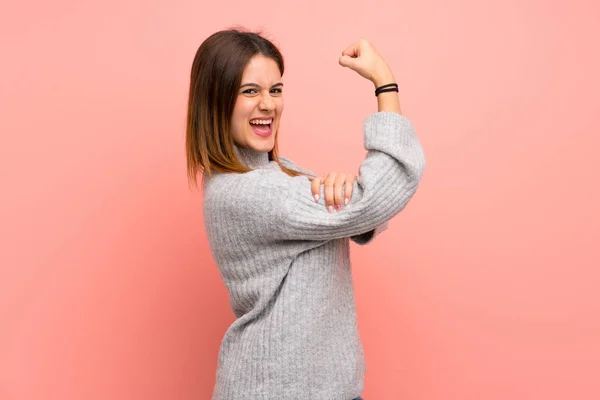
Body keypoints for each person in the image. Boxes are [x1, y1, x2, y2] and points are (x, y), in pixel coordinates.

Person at [185, 27, 426, 400]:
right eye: (250, 91)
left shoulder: (280, 173)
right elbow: (374, 199)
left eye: (275, 90)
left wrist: (346, 191)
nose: (268, 105)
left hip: (326, 390)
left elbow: (362, 213)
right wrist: (385, 83)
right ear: (215, 101)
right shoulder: (246, 192)